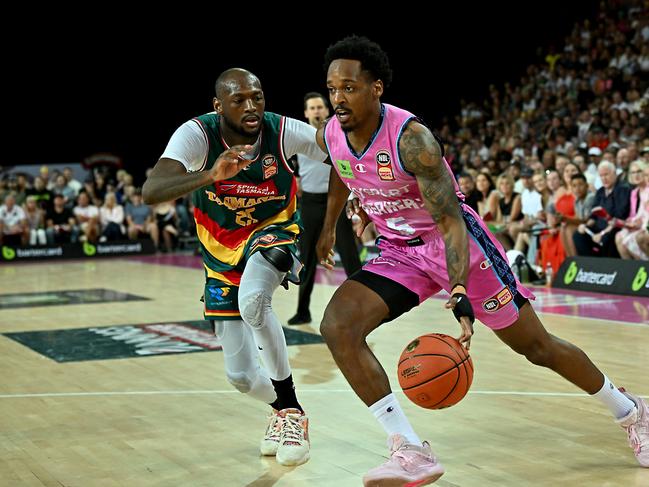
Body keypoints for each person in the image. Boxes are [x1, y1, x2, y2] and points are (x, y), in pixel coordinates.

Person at [314, 36, 648, 486]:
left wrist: (457, 290)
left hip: (457, 246)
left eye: (349, 88)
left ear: (376, 88)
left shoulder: (413, 141)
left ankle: (631, 412)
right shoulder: (331, 131)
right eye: (332, 89)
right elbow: (341, 168)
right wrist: (330, 223)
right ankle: (409, 449)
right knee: (338, 326)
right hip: (399, 251)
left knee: (537, 347)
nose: (338, 99)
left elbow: (451, 221)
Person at [143, 68, 325, 467]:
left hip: (274, 232)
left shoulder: (283, 131)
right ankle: (281, 409)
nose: (251, 106)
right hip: (219, 254)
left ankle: (292, 412)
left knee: (255, 300)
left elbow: (346, 157)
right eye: (239, 99)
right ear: (218, 105)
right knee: (241, 378)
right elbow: (151, 191)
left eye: (257, 97)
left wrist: (334, 223)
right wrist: (209, 174)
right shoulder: (196, 135)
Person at [288, 92, 362, 325]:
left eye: (320, 107)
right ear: (306, 113)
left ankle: (363, 307)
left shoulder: (339, 133)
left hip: (336, 201)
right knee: (307, 257)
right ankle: (302, 311)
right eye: (312, 108)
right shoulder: (298, 137)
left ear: (327, 110)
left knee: (350, 256)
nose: (317, 111)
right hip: (309, 202)